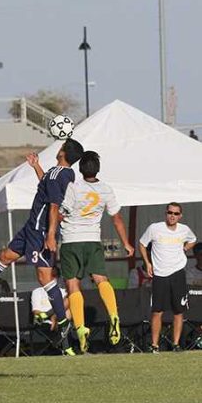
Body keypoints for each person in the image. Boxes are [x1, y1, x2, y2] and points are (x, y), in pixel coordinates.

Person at [0, 141, 83, 335]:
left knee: (45, 277)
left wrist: (51, 235)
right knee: (5, 256)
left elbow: (53, 205)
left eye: (61, 146)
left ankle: (62, 323)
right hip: (31, 227)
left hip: (40, 230)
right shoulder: (65, 173)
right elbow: (47, 187)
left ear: (63, 153)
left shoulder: (58, 173)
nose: (58, 148)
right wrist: (36, 166)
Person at [59, 150, 134, 352]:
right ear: (97, 169)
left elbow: (62, 212)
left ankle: (81, 328)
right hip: (93, 240)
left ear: (80, 169)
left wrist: (49, 234)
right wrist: (126, 243)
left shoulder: (73, 187)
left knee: (73, 286)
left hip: (71, 241)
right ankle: (113, 315)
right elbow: (116, 218)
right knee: (101, 279)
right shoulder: (106, 189)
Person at [139, 202, 197, 353]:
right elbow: (142, 244)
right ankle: (154, 345)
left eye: (176, 214)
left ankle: (176, 344)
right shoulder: (154, 228)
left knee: (179, 311)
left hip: (178, 273)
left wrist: (184, 248)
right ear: (166, 213)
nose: (172, 216)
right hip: (159, 274)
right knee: (157, 311)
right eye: (170, 213)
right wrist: (147, 263)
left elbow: (193, 240)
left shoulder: (184, 230)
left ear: (180, 216)